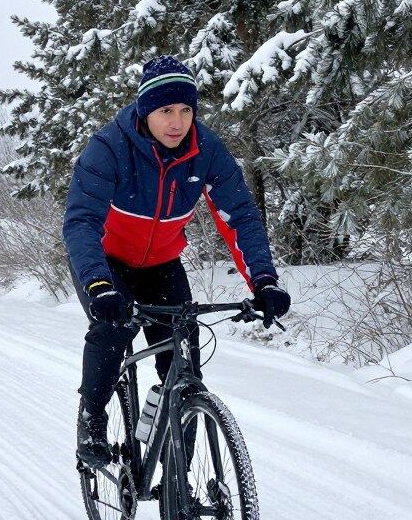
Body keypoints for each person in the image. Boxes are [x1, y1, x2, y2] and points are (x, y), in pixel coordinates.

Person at [64, 56, 291, 468]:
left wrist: (264, 281)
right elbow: (81, 222)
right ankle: (92, 418)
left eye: (186, 110)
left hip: (162, 264)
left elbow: (239, 216)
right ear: (145, 111)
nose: (177, 122)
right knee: (114, 330)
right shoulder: (109, 148)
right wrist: (98, 285)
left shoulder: (206, 151)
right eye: (166, 110)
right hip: (107, 262)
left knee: (184, 361)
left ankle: (176, 471)